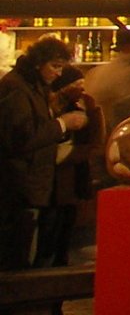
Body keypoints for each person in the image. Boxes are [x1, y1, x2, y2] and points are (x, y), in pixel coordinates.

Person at [0, 37, 90, 270]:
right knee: (16, 256)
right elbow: (22, 138)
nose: (58, 73)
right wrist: (62, 123)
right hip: (19, 185)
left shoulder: (33, 86)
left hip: (30, 184)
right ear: (39, 63)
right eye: (55, 66)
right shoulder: (17, 88)